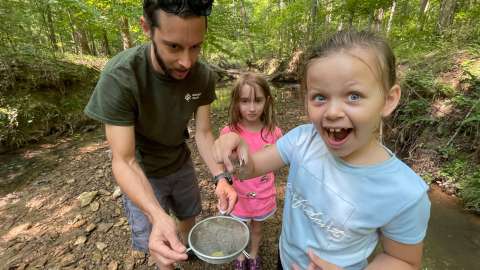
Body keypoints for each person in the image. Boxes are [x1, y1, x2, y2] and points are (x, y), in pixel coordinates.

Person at [213, 30, 431, 270]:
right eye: (319, 97)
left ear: (388, 100)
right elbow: (250, 169)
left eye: (354, 96)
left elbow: (403, 260)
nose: (332, 112)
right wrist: (235, 148)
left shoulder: (406, 194)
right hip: (286, 258)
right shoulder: (302, 140)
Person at [83, 1, 237, 269]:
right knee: (162, 245)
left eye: (196, 46)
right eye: (173, 46)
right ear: (147, 28)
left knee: (189, 218)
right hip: (143, 174)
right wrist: (155, 213)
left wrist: (221, 177)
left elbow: (202, 133)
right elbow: (124, 160)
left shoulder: (203, 76)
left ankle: (192, 255)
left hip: (180, 162)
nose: (187, 61)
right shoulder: (121, 77)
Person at [219, 73, 282, 270]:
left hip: (263, 195)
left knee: (256, 227)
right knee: (240, 228)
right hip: (238, 195)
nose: (252, 108)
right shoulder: (228, 133)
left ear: (268, 101)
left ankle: (253, 255)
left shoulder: (274, 133)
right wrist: (222, 181)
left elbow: (278, 162)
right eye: (245, 101)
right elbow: (220, 162)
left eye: (258, 100)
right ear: (236, 102)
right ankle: (240, 256)